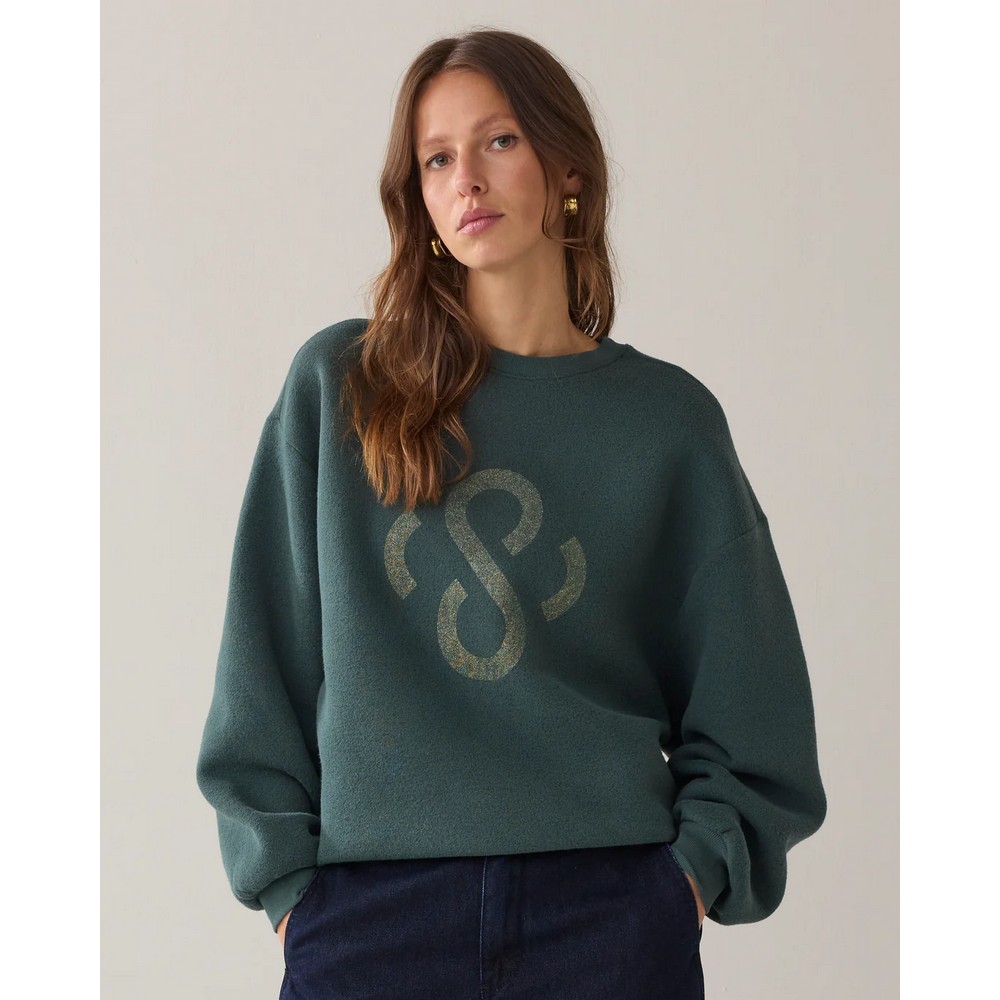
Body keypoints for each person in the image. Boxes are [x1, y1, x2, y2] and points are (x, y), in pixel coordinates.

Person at [196, 27, 827, 1000]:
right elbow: (263, 663)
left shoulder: (664, 423)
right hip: (371, 924)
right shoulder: (342, 386)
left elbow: (753, 706)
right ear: (417, 196)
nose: (467, 180)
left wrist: (685, 883)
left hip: (606, 921)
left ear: (566, 166)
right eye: (436, 158)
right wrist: (288, 890)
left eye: (498, 141)